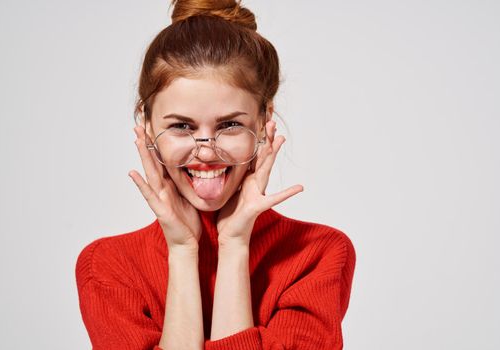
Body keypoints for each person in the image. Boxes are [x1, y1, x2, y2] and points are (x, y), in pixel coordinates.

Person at [75, 1, 356, 349]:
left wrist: (235, 246)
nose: (206, 152)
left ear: (264, 121)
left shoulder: (318, 256)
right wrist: (181, 251)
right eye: (180, 126)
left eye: (230, 125)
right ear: (147, 127)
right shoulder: (107, 268)